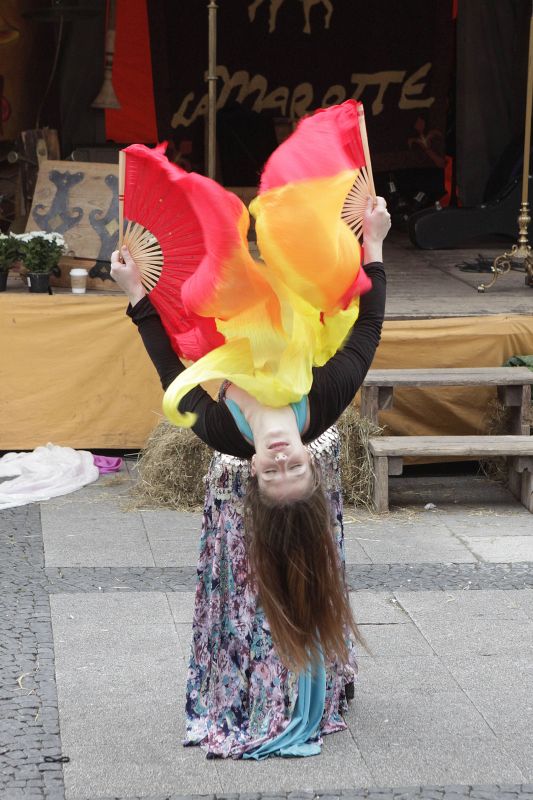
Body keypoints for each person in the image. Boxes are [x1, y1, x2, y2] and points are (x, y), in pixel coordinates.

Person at [111, 99, 389, 758]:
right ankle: (301, 657)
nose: (281, 457)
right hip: (293, 316)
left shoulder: (227, 434)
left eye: (273, 470)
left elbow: (170, 368)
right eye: (295, 466)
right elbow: (368, 330)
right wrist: (373, 246)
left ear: (254, 472)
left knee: (256, 585)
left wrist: (136, 296)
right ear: (311, 461)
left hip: (234, 326)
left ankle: (280, 664)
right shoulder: (323, 401)